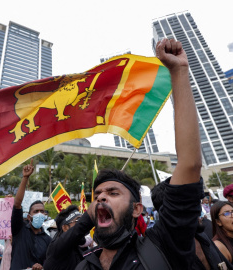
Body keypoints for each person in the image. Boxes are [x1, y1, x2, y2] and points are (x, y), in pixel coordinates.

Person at [71, 37, 203, 269]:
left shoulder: (163, 245)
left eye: (113, 193)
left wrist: (180, 71)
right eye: (98, 194)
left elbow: (190, 164)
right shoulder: (83, 266)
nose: (101, 197)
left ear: (136, 209)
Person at [152, 181, 233, 269]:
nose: (198, 210)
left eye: (196, 202)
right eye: (188, 204)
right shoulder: (160, 254)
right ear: (170, 210)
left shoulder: (202, 237)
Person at [10, 160, 51, 270]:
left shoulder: (48, 240)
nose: (39, 214)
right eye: (36, 211)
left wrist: (41, 267)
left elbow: (48, 262)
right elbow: (17, 204)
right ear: (29, 217)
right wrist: (25, 178)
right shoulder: (19, 229)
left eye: (42, 212)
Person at [44, 205, 91, 270]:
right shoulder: (57, 247)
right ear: (65, 228)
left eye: (82, 219)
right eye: (78, 221)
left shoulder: (81, 246)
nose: (81, 224)